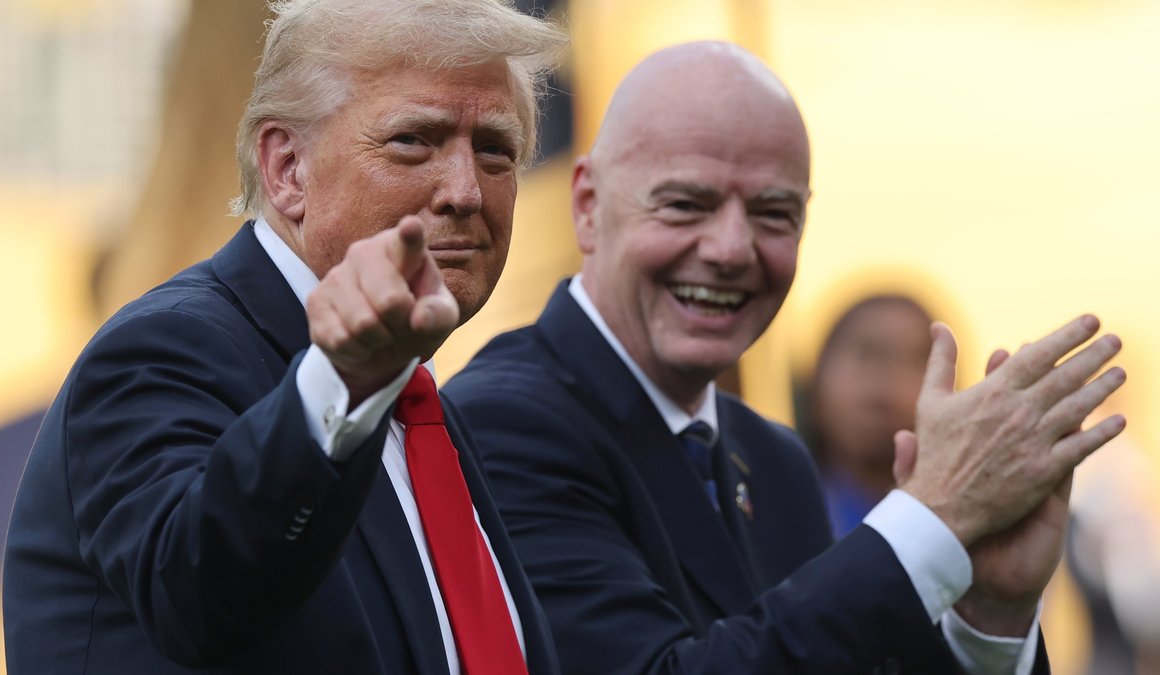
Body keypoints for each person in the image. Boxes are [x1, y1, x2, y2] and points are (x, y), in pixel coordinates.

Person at [444, 41, 1127, 674]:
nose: (731, 249)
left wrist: (990, 617)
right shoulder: (502, 426)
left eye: (774, 213)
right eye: (686, 204)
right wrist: (933, 519)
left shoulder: (771, 458)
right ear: (589, 206)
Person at [2, 1, 566, 673]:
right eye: (414, 140)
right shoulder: (163, 351)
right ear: (287, 168)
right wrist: (342, 384)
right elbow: (202, 597)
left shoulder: (413, 407)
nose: (465, 191)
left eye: (495, 150)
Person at [796, 294, 934, 536]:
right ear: (816, 382)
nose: (885, 382)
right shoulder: (771, 511)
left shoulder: (960, 531)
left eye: (912, 359)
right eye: (866, 354)